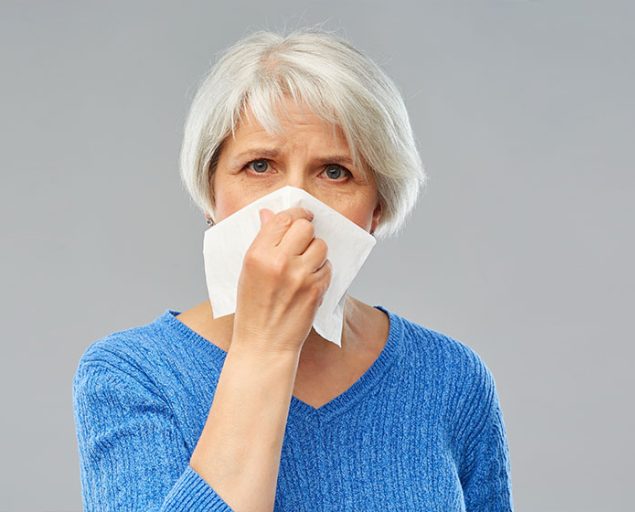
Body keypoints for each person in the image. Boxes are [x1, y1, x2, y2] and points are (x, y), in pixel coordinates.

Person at [72, 27, 514, 511]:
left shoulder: (451, 378)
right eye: (260, 166)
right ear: (209, 193)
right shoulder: (131, 375)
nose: (295, 208)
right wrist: (265, 347)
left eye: (335, 172)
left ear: (378, 209)